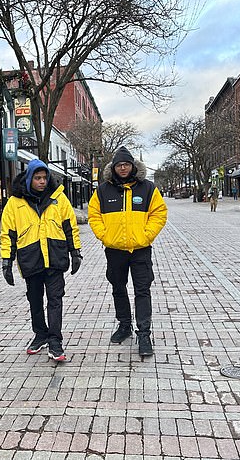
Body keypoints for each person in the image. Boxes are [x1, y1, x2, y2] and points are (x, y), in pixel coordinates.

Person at [0, 159, 82, 362]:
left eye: (45, 178)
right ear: (29, 179)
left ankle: (55, 341)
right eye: (38, 178)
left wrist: (76, 252)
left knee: (55, 300)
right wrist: (6, 262)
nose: (42, 182)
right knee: (35, 300)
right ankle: (40, 334)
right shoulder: (14, 203)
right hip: (31, 258)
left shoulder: (59, 198)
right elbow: (8, 234)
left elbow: (70, 227)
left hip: (55, 257)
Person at [88, 146, 167, 356]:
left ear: (132, 166)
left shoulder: (148, 188)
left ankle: (144, 334)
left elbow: (159, 214)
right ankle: (124, 325)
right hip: (115, 251)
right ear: (113, 168)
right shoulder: (103, 190)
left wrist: (146, 236)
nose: (123, 168)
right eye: (119, 165)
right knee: (118, 288)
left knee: (142, 290)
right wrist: (105, 236)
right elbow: (94, 215)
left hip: (140, 250)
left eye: (126, 164)